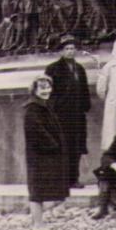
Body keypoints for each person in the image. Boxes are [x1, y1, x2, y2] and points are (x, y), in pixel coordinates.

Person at [44, 36, 93, 189]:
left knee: (76, 147)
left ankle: (74, 178)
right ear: (62, 51)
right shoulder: (53, 69)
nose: (70, 52)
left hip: (77, 115)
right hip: (61, 115)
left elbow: (84, 90)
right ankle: (61, 179)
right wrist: (54, 108)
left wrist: (85, 106)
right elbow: (48, 91)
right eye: (67, 49)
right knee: (62, 147)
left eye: (72, 49)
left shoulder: (79, 69)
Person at [22, 75, 68, 230]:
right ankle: (38, 225)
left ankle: (37, 222)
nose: (46, 91)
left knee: (41, 191)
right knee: (38, 191)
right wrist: (54, 146)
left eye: (48, 87)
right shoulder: (32, 109)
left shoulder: (44, 106)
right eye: (42, 88)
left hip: (46, 155)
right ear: (34, 90)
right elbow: (37, 132)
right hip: (40, 156)